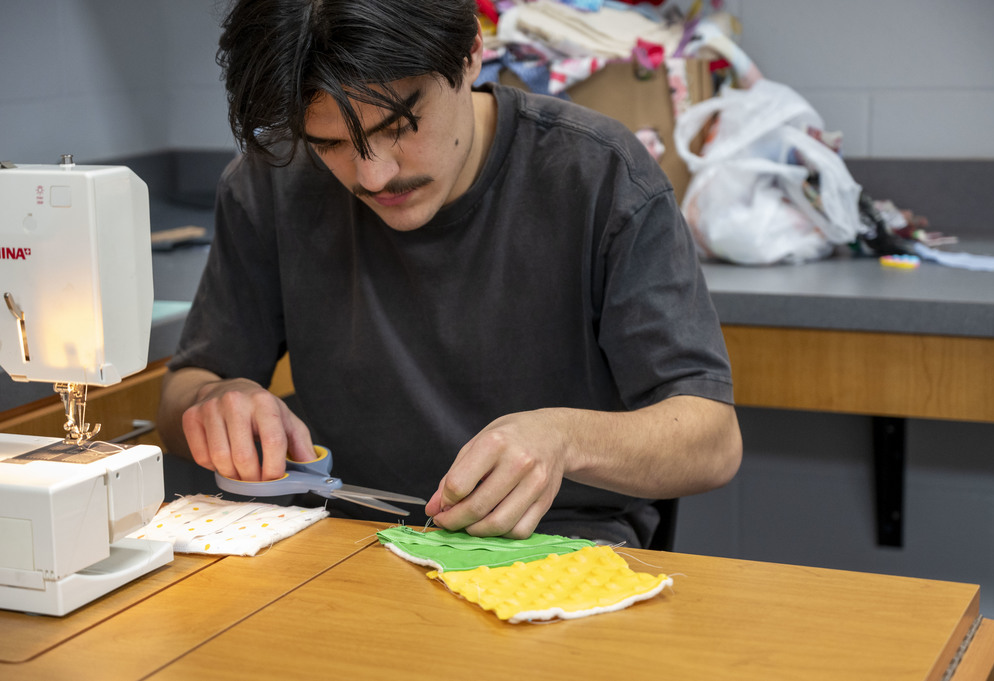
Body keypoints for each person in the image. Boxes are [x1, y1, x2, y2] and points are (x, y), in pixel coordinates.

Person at [157, 0, 742, 548]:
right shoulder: (270, 182)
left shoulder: (600, 177)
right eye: (330, 143)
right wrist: (217, 400)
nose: (374, 176)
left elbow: (712, 440)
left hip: (550, 548)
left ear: (470, 51)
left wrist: (563, 439)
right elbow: (181, 394)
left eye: (400, 124)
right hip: (342, 544)